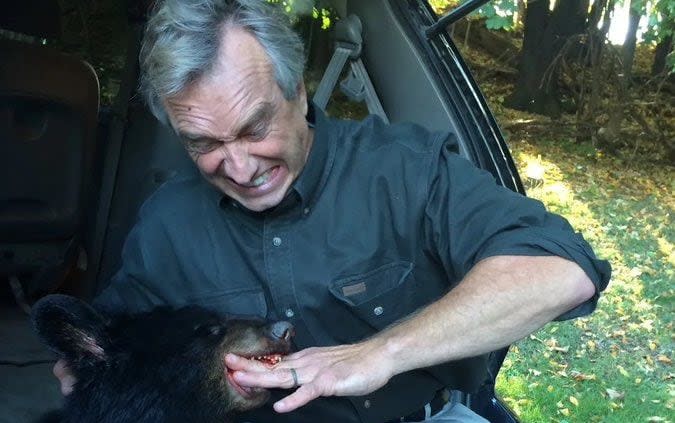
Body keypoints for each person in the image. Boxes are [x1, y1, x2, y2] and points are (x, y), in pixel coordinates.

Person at [53, 0, 611, 422]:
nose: (241, 168)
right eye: (204, 144)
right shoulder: (166, 224)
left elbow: (561, 270)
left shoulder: (405, 170)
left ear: (297, 90)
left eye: (255, 129)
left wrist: (381, 351)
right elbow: (110, 348)